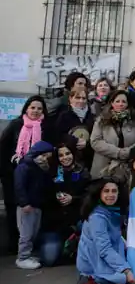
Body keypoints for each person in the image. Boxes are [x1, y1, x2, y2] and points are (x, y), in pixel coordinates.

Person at [74, 179, 135, 284]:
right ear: (99, 194)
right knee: (124, 279)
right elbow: (104, 248)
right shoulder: (97, 217)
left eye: (114, 191)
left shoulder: (111, 211)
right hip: (94, 259)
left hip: (104, 253)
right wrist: (126, 271)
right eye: (106, 191)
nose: (111, 195)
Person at [0, 96, 48, 251]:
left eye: (39, 108)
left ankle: (31, 245)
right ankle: (15, 245)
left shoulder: (45, 126)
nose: (35, 111)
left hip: (36, 176)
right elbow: (2, 148)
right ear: (26, 108)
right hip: (14, 174)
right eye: (32, 107)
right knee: (14, 208)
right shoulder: (16, 125)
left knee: (32, 209)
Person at [41, 140, 91, 266]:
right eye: (61, 155)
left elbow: (89, 196)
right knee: (49, 259)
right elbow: (43, 196)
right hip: (56, 221)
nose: (65, 158)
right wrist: (55, 197)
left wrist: (73, 198)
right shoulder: (51, 173)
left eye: (68, 153)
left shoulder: (82, 172)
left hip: (77, 218)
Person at [13, 141, 55, 269]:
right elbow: (19, 186)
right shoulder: (24, 167)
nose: (45, 159)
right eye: (44, 156)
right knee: (26, 233)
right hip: (26, 207)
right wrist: (24, 202)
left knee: (33, 232)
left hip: (37, 205)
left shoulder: (40, 168)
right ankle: (23, 257)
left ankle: (28, 254)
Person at [89, 90, 135, 179]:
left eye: (124, 102)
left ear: (128, 104)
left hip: (127, 166)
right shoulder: (101, 120)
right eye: (117, 101)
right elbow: (95, 141)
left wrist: (129, 152)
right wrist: (117, 152)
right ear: (112, 103)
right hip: (104, 166)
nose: (120, 104)